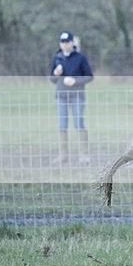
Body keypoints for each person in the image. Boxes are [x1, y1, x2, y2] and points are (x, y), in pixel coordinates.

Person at [49, 30, 94, 166]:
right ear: (60, 44)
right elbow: (51, 79)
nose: (65, 45)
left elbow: (89, 76)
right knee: (62, 125)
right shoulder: (57, 58)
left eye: (67, 42)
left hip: (77, 96)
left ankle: (84, 156)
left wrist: (75, 81)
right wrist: (56, 74)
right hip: (61, 96)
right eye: (62, 42)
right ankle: (63, 156)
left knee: (78, 124)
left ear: (72, 43)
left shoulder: (80, 58)